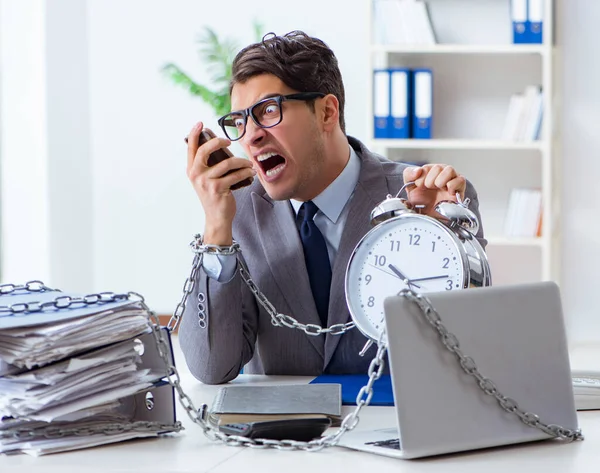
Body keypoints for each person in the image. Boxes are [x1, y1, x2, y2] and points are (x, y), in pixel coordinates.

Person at [179, 30, 486, 385]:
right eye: (240, 122)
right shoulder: (237, 212)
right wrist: (217, 228)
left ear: (326, 112)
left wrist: (436, 235)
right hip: (282, 436)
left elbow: (466, 353)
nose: (251, 135)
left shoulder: (428, 196)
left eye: (267, 111)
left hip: (399, 430)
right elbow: (211, 367)